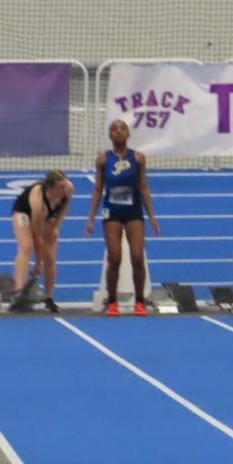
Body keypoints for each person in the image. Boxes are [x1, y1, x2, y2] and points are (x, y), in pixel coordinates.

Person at [84, 119, 160, 316]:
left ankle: (140, 301)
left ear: (128, 134)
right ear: (109, 135)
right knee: (115, 257)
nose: (118, 132)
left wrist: (151, 216)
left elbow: (143, 187)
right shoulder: (103, 159)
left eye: (122, 128)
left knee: (137, 256)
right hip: (112, 212)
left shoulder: (138, 158)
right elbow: (98, 189)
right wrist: (90, 218)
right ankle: (112, 301)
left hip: (133, 211)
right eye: (114, 129)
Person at [10, 170, 74, 313]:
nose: (65, 190)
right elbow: (37, 236)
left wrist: (56, 226)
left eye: (65, 185)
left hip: (50, 214)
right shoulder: (38, 202)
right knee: (26, 246)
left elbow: (64, 207)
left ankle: (49, 298)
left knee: (50, 257)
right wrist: (38, 263)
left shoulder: (68, 188)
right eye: (60, 188)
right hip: (24, 213)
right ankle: (18, 291)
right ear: (50, 189)